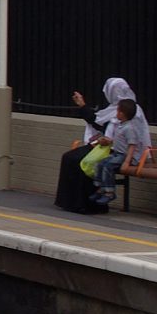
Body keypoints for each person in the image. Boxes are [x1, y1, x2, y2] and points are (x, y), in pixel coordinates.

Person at [55, 77, 137, 214]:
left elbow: (131, 140)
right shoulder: (116, 109)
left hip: (117, 150)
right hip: (106, 145)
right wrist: (82, 105)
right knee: (69, 157)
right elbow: (98, 123)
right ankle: (70, 202)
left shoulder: (130, 109)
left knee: (81, 161)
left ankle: (87, 204)